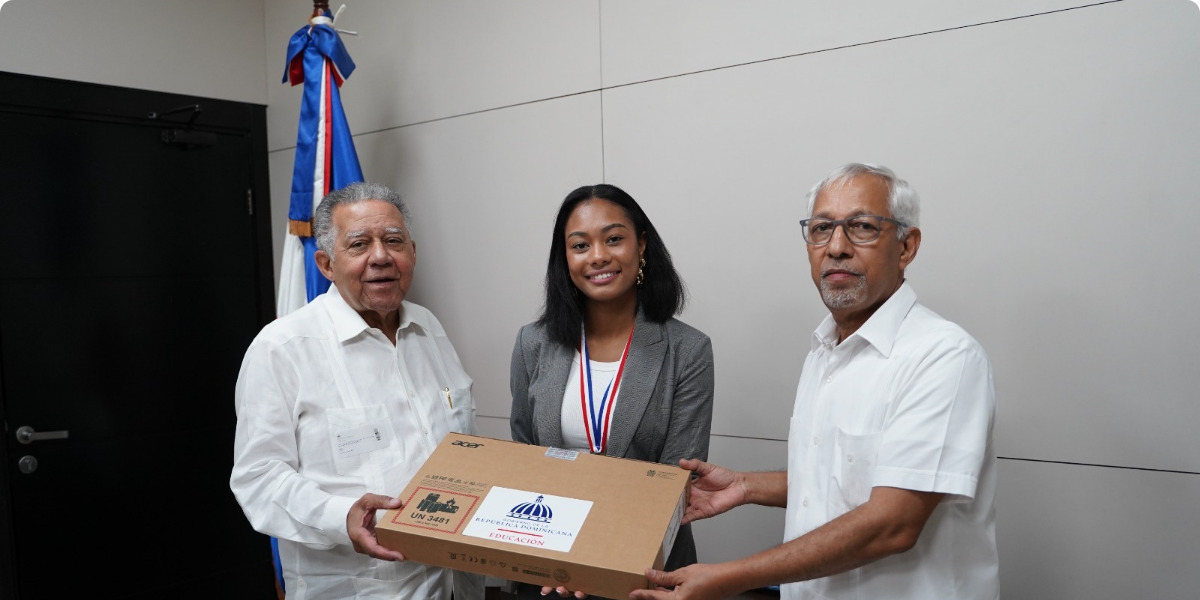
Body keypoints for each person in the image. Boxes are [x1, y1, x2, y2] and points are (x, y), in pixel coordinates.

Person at [632, 164, 998, 600]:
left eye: (862, 227)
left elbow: (893, 524)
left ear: (907, 246)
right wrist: (747, 486)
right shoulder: (825, 348)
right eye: (821, 228)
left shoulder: (943, 356)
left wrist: (728, 577)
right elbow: (844, 477)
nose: (836, 247)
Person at [230, 182, 482, 600]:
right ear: (326, 264)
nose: (381, 257)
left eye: (394, 241)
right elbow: (258, 478)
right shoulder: (282, 348)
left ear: (413, 253)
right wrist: (340, 515)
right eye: (360, 244)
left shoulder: (428, 327)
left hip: (454, 583)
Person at [509, 184, 715, 598]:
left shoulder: (688, 350)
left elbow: (674, 482)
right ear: (564, 259)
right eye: (580, 245)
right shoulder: (533, 343)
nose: (598, 256)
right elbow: (526, 458)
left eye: (614, 238)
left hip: (645, 570)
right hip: (549, 566)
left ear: (641, 246)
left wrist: (596, 560)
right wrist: (559, 558)